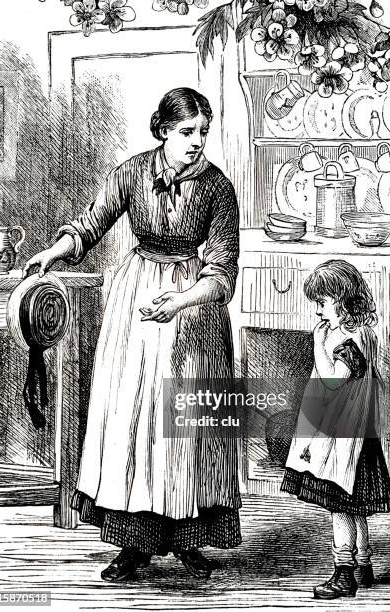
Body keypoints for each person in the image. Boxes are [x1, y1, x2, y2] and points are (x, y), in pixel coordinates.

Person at [24, 87, 241, 582]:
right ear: (163, 130)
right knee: (131, 417)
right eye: (187, 133)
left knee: (186, 424)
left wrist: (183, 301)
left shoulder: (218, 188)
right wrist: (53, 254)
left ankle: (189, 539)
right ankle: (133, 546)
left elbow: (223, 272)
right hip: (136, 299)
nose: (196, 143)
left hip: (194, 307)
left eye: (203, 134)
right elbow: (90, 223)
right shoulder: (130, 173)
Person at [281, 259, 390, 600]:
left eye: (322, 303)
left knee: (342, 507)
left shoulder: (351, 340)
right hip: (352, 436)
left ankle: (344, 573)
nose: (318, 311)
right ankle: (364, 565)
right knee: (355, 507)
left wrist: (318, 345)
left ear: (343, 302)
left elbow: (333, 383)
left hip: (347, 443)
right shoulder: (357, 333)